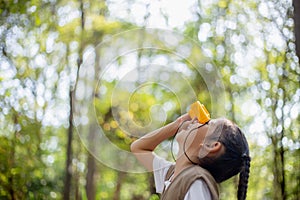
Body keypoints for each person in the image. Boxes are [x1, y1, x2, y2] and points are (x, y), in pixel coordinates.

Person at [130, 113, 250, 200]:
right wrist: (177, 124)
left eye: (207, 122)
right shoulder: (171, 174)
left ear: (211, 146)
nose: (197, 119)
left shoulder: (196, 182)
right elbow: (139, 148)